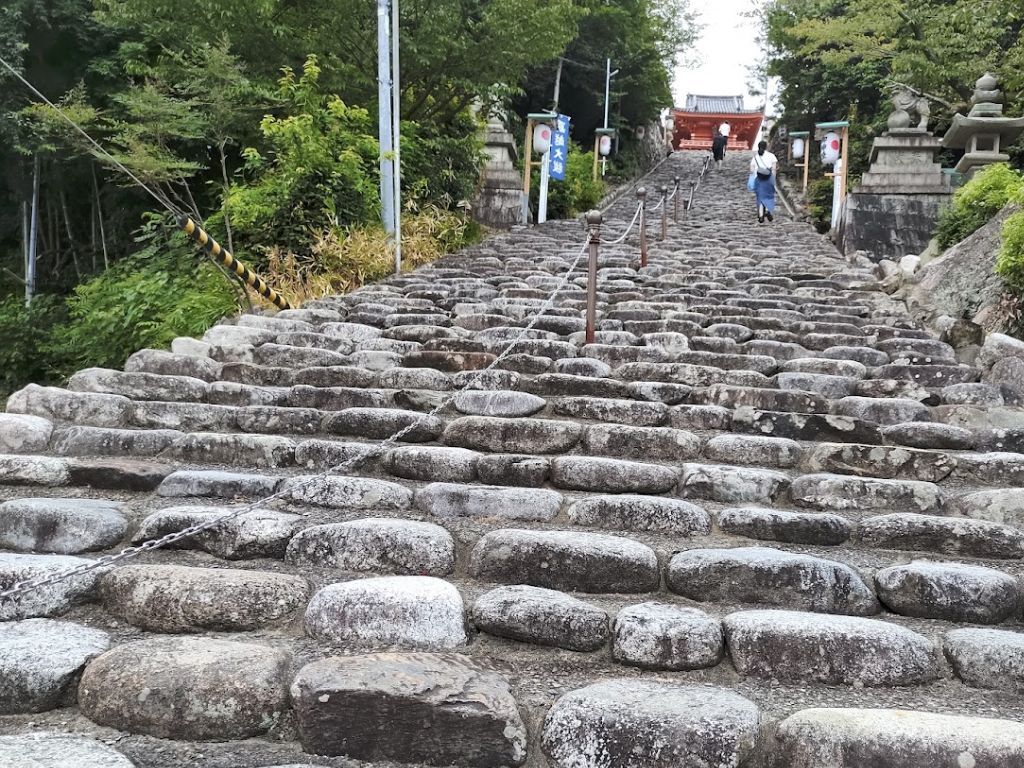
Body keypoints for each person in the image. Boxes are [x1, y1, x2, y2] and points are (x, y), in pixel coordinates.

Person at [749, 140, 778, 223]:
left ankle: (761, 216)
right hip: (769, 179)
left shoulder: (755, 157)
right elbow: (774, 169)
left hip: (758, 179)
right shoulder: (771, 156)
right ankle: (769, 211)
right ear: (766, 147)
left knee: (760, 197)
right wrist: (773, 180)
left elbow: (751, 169)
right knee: (769, 196)